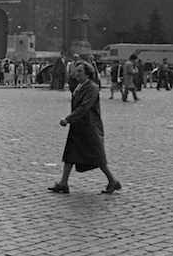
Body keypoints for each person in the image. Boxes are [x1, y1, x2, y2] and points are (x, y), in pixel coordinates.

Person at [49, 61, 121, 194]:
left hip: (89, 126)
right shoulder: (80, 86)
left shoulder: (91, 87)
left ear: (88, 73)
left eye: (80, 71)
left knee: (97, 155)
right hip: (79, 125)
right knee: (70, 154)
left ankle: (113, 180)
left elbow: (84, 107)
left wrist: (68, 119)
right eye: (76, 71)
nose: (76, 73)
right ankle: (63, 183)